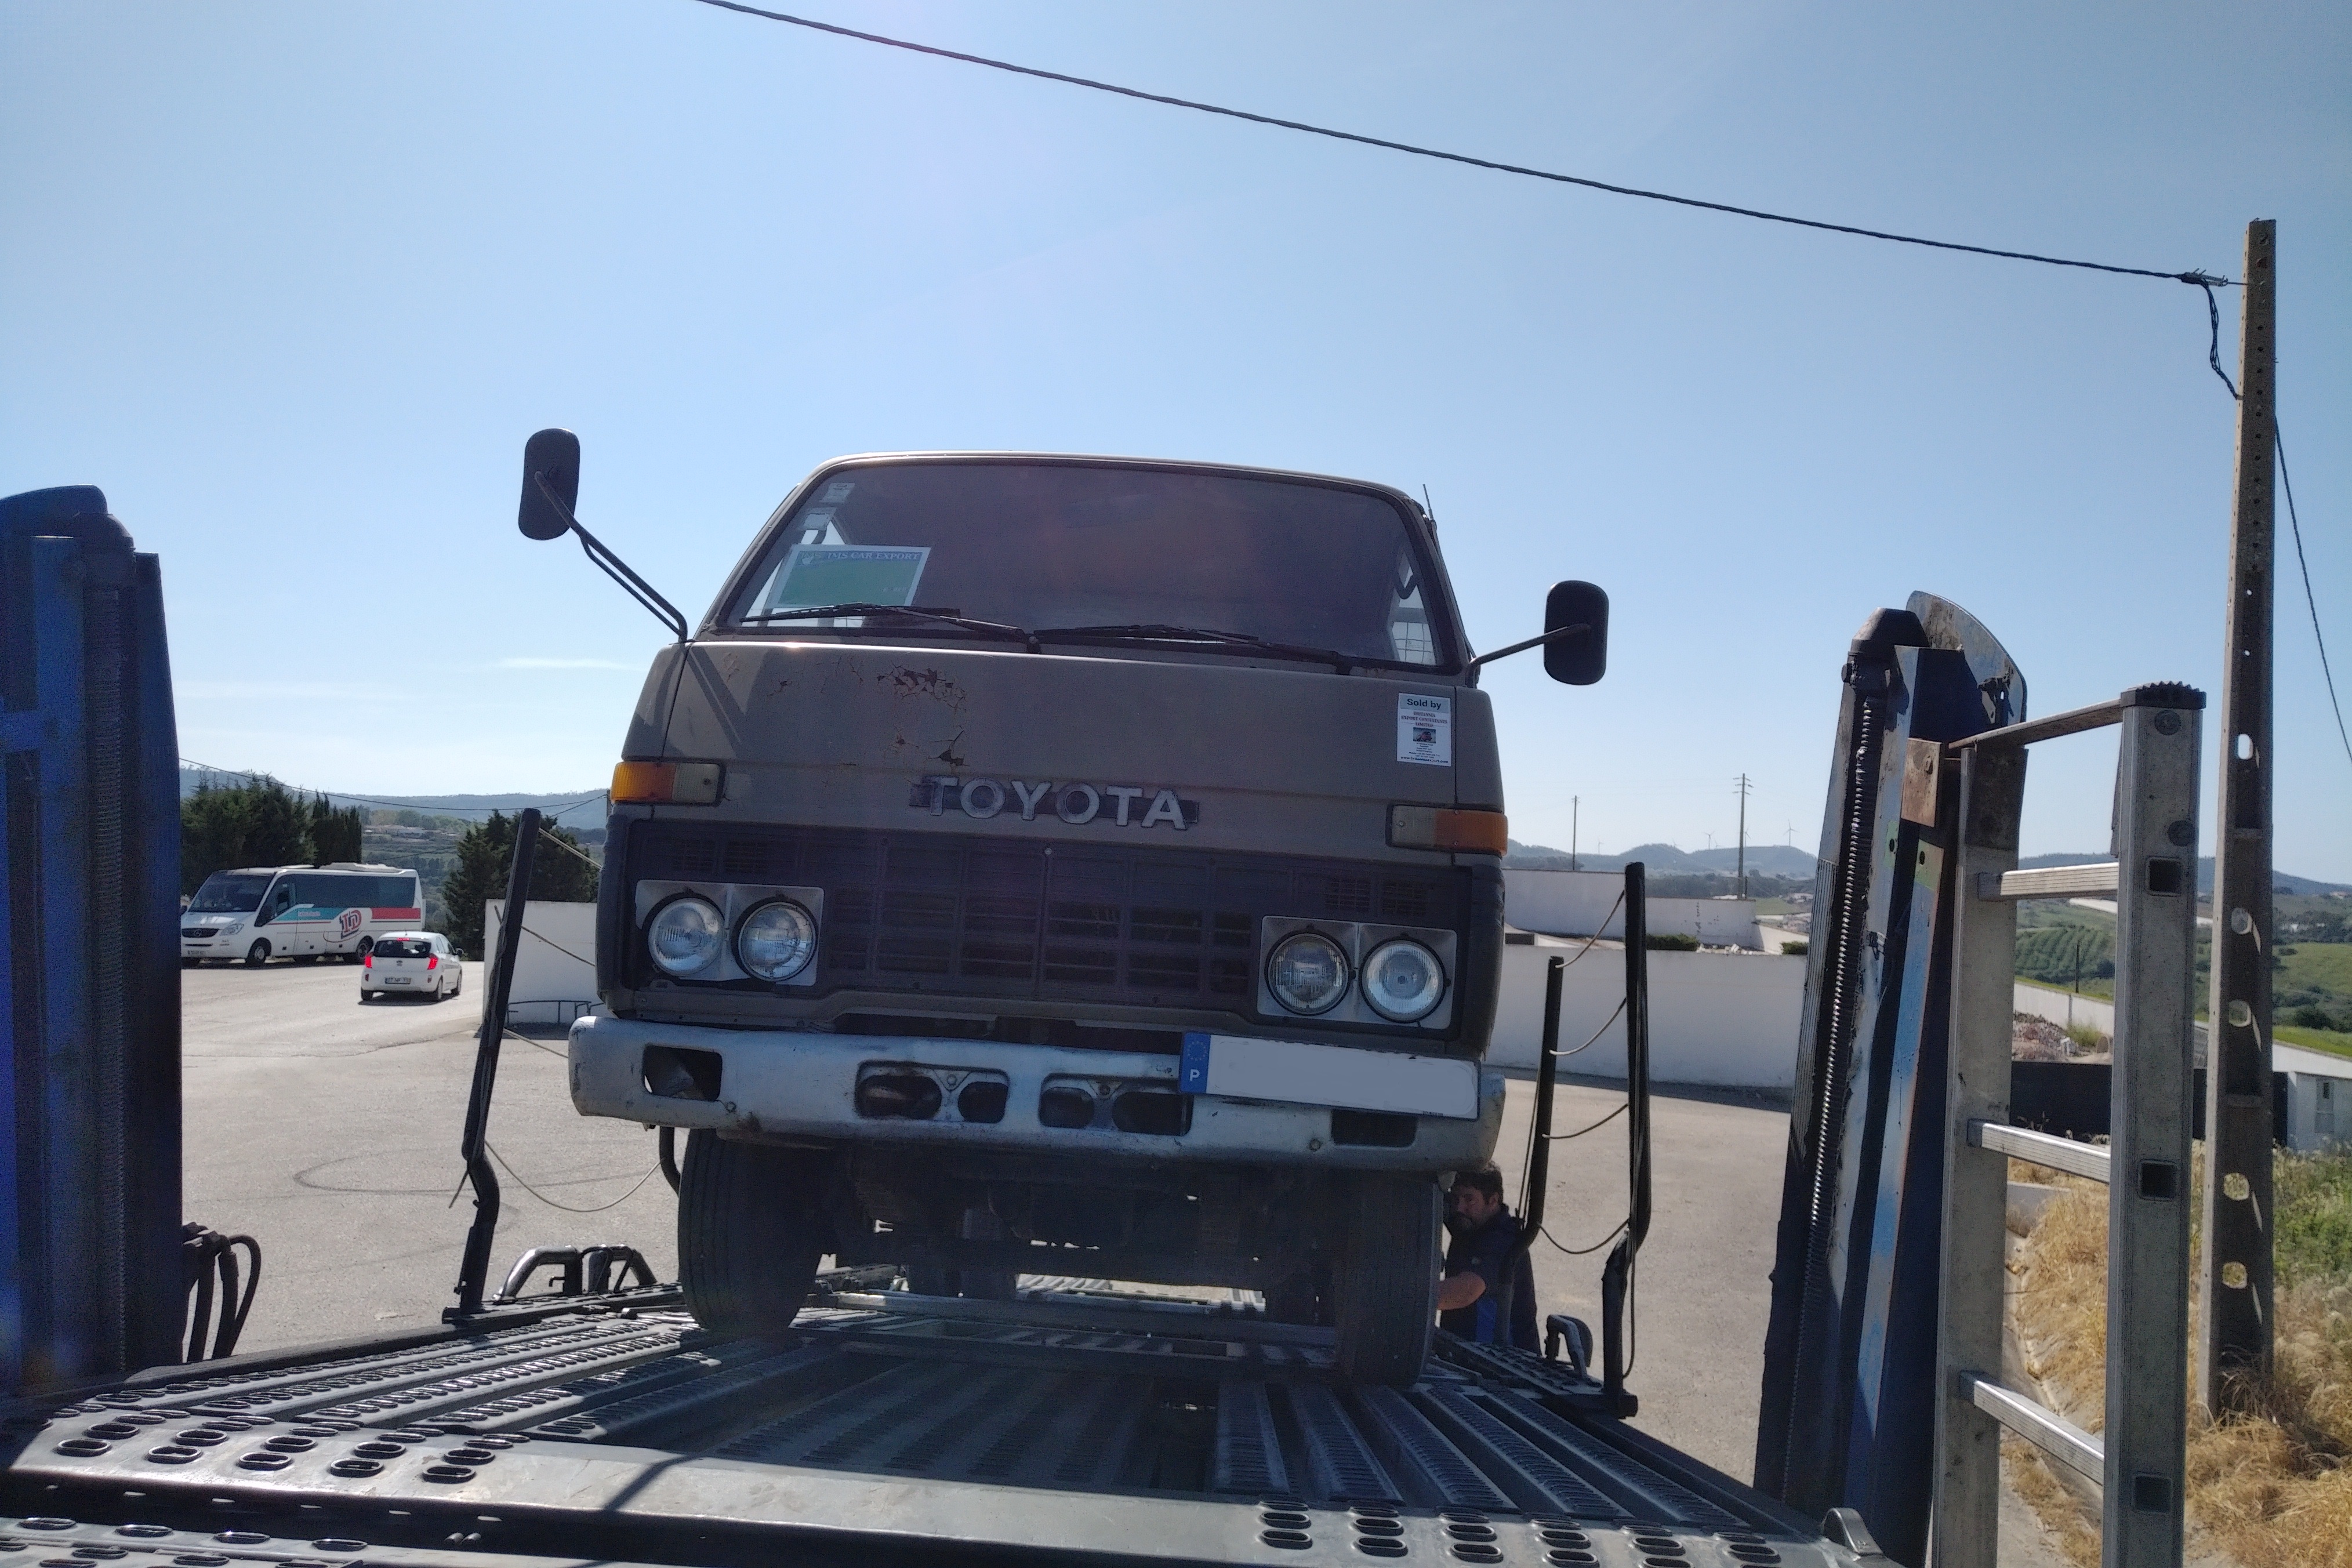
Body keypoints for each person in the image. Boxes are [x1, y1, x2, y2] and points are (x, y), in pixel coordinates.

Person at [1436, 1164, 1538, 1351]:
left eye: (1469, 1200)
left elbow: (1465, 1291)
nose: (1459, 1207)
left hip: (1502, 1366)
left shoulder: (1503, 1241)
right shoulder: (1469, 1222)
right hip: (1461, 1356)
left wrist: (1404, 1296)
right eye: (1455, 1199)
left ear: (1493, 1201)